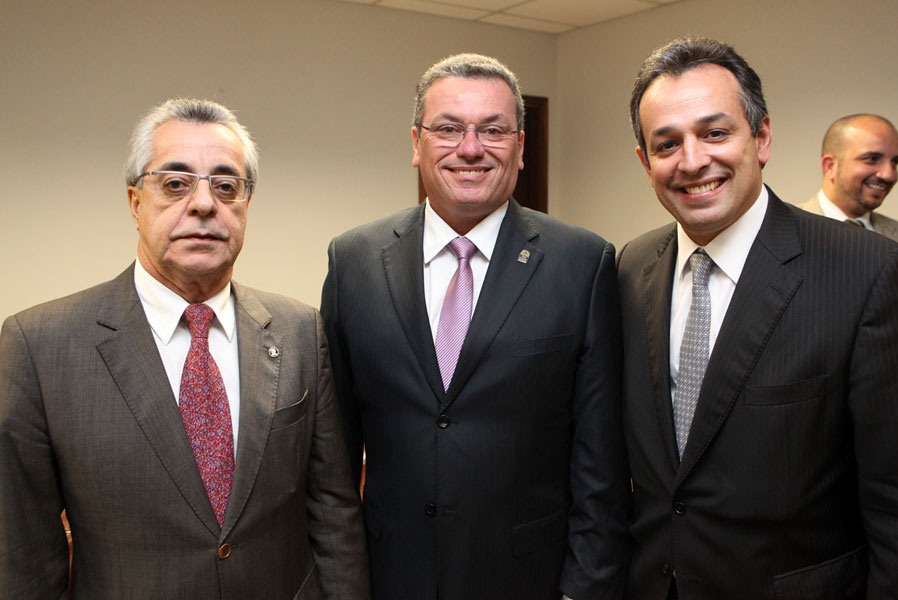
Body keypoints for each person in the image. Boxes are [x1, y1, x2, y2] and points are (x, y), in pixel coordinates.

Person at [0, 98, 370, 599]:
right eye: (175, 183)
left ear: (245, 204)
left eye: (226, 185)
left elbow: (332, 513)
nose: (203, 204)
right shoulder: (39, 345)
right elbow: (24, 557)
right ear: (135, 202)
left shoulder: (299, 330)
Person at [321, 53, 629, 600]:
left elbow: (600, 466)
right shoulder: (354, 262)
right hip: (390, 576)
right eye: (448, 129)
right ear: (416, 143)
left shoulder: (582, 263)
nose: (470, 148)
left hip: (527, 579)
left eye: (493, 130)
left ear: (521, 147)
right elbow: (334, 459)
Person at [618, 37, 898, 598]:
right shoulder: (631, 266)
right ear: (646, 162)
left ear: (762, 136)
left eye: (715, 133)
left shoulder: (866, 270)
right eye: (667, 143)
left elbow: (892, 497)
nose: (692, 160)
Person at [798, 113, 898, 241]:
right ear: (830, 166)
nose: (889, 175)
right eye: (872, 159)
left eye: (895, 162)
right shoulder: (784, 228)